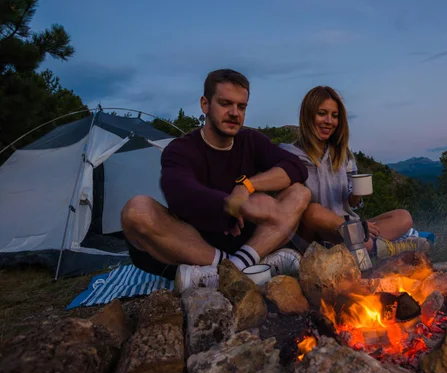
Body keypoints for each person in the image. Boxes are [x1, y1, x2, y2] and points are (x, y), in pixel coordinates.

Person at [121, 69, 311, 293]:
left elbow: (295, 167)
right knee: (136, 211)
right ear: (205, 104)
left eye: (241, 107)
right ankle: (238, 267)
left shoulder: (251, 141)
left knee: (299, 192)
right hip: (194, 245)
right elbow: (180, 193)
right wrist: (234, 205)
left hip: (245, 242)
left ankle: (233, 269)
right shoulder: (182, 149)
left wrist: (247, 186)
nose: (234, 113)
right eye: (225, 103)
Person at [280, 86, 430, 261]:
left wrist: (357, 194)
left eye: (334, 116)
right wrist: (354, 228)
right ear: (308, 116)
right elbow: (291, 204)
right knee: (313, 211)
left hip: (348, 225)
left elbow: (351, 202)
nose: (329, 121)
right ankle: (378, 247)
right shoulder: (290, 155)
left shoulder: (342, 155)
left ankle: (366, 242)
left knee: (403, 216)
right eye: (322, 113)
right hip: (314, 233)